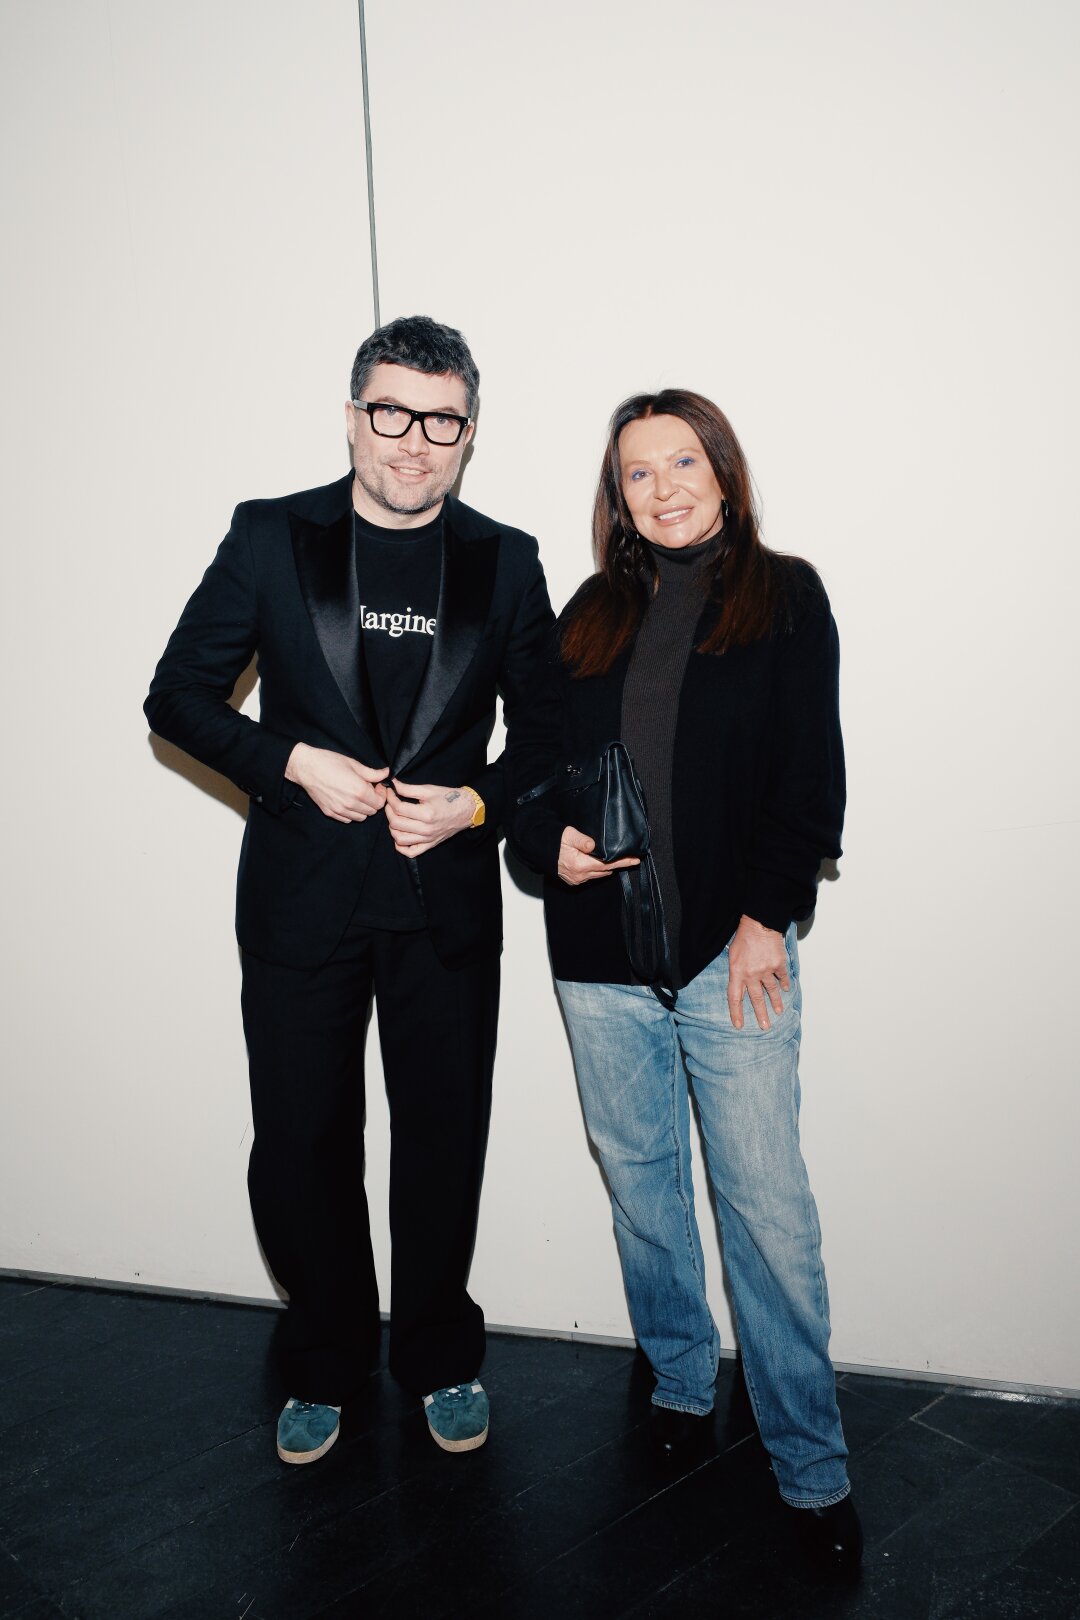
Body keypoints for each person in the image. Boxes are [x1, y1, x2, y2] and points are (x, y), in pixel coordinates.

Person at [145, 314, 553, 1464]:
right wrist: (289, 763)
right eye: (392, 413)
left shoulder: (508, 561)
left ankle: (438, 1354)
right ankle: (322, 1358)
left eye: (441, 421)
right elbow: (177, 697)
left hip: (444, 907)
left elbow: (553, 736)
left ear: (469, 432)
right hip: (301, 903)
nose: (414, 441)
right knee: (301, 1143)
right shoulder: (271, 537)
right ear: (352, 416)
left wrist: (475, 803)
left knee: (442, 1141)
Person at [504, 389, 861, 1572]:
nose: (663, 489)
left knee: (767, 1212)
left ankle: (811, 1464)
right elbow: (530, 763)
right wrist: (542, 841)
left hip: (730, 957)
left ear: (723, 471)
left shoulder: (785, 596)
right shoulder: (588, 613)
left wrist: (768, 917)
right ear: (618, 496)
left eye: (682, 462)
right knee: (644, 1190)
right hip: (599, 962)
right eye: (638, 473)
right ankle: (677, 1384)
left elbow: (810, 774)